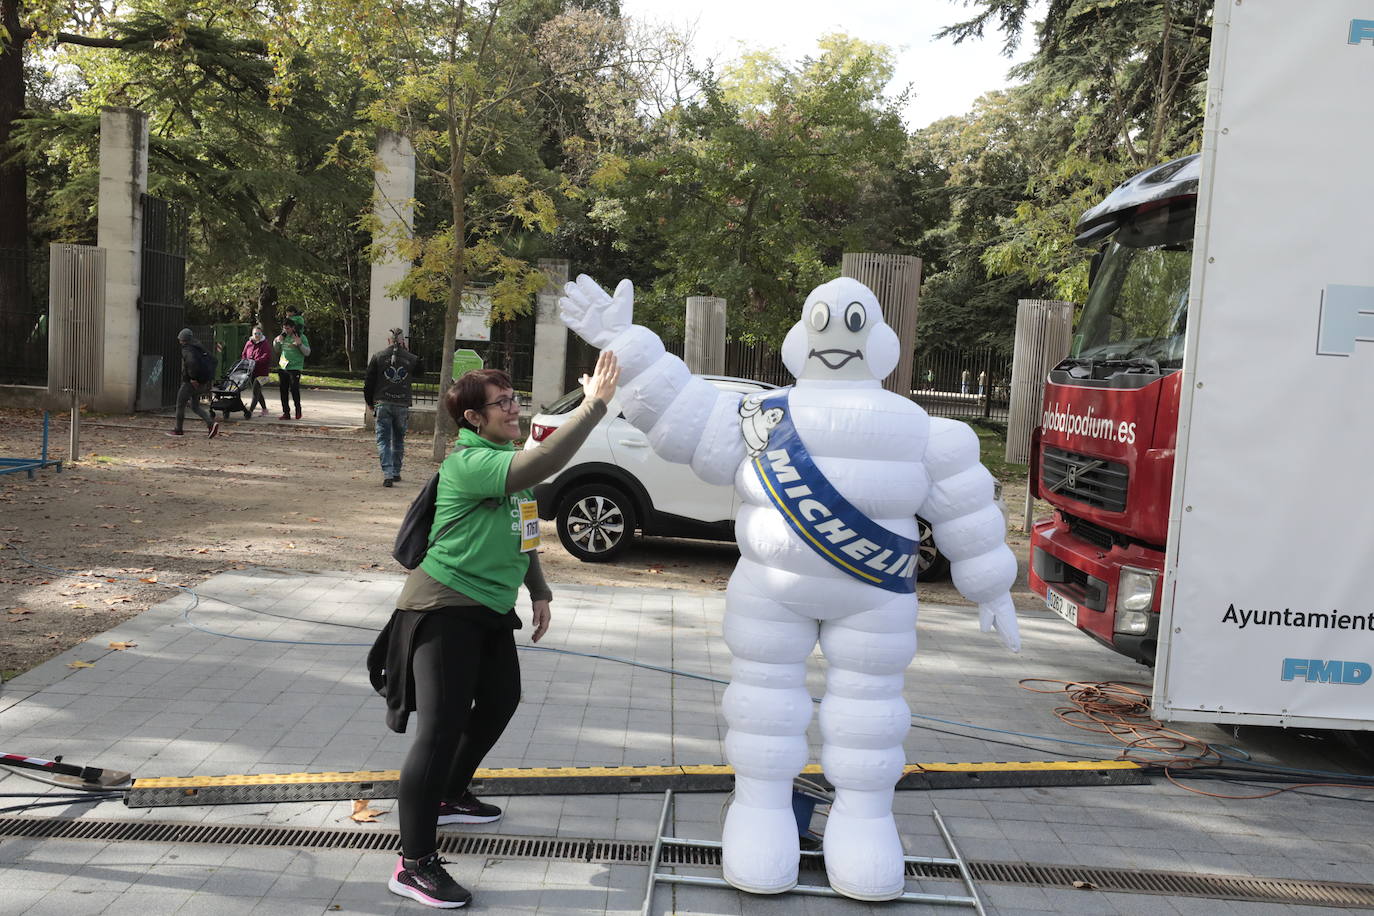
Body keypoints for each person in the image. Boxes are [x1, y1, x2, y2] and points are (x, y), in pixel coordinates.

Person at [371, 352, 620, 909]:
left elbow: (524, 531)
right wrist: (594, 404)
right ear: (473, 419)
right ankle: (413, 865)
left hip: (487, 606)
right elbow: (540, 466)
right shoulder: (472, 461)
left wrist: (540, 590)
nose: (513, 408)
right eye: (501, 403)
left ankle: (451, 792)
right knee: (438, 729)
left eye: (513, 398)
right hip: (441, 607)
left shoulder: (508, 457)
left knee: (502, 698)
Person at [364, 328, 422, 487]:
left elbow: (369, 382)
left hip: (382, 403)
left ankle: (388, 473)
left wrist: (369, 401)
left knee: (383, 439)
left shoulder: (378, 357)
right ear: (403, 341)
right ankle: (396, 471)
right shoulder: (411, 358)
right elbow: (421, 372)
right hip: (402, 403)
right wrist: (407, 352)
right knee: (398, 439)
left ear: (389, 341)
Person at [167, 328, 219, 439]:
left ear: (182, 339)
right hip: (201, 382)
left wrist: (192, 378)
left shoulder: (187, 349)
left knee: (180, 404)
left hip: (190, 382)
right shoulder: (199, 346)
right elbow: (214, 360)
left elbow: (191, 363)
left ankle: (178, 430)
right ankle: (211, 423)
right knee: (195, 406)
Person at [273, 314, 310, 419]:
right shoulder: (283, 336)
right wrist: (276, 342)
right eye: (284, 328)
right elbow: (276, 350)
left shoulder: (301, 337)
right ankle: (286, 413)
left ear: (293, 328)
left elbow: (307, 352)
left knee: (294, 390)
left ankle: (298, 410)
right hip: (283, 367)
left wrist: (300, 344)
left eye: (288, 328)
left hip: (295, 368)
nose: (286, 330)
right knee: (283, 391)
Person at [241, 325, 273, 418]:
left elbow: (266, 356)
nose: (257, 335)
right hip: (251, 371)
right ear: (252, 334)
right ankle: (265, 409)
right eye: (255, 333)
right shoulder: (249, 343)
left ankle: (250, 411)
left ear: (261, 334)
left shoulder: (265, 344)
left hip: (262, 373)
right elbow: (244, 354)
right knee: (257, 391)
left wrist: (256, 361)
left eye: (259, 333)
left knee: (255, 390)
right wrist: (246, 362)